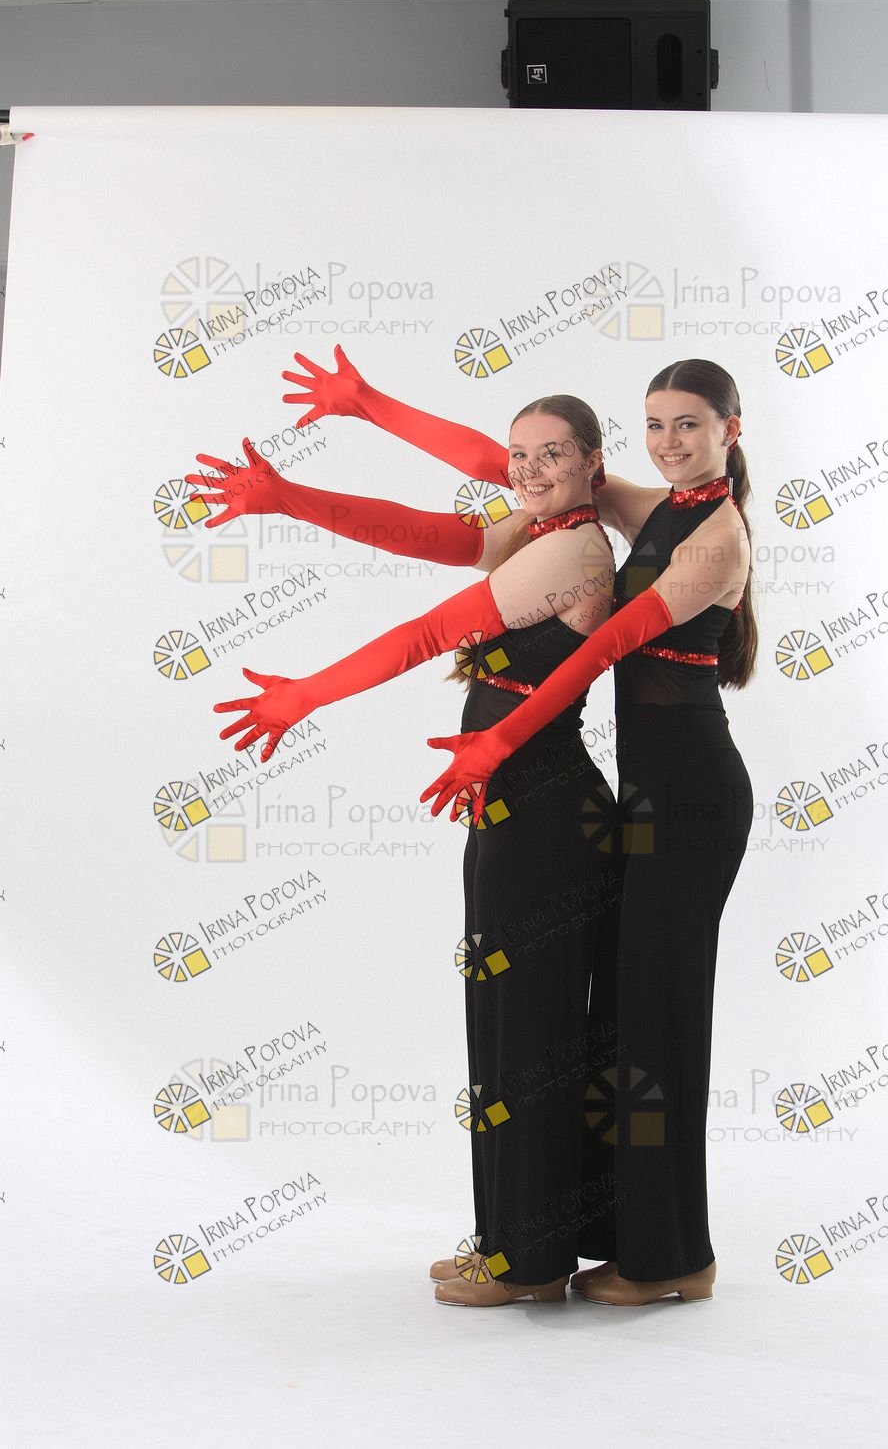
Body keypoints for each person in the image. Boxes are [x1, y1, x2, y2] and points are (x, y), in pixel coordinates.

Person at [281, 349, 756, 1306]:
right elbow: (502, 465)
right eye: (656, 424)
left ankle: (671, 1256)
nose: (668, 442)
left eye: (688, 425)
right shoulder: (659, 506)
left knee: (657, 1026)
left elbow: (610, 643)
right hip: (640, 799)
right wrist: (369, 403)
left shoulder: (715, 537)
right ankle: (606, 1239)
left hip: (691, 802)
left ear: (729, 431)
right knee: (617, 1027)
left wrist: (498, 738)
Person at [183, 401, 624, 1307]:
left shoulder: (573, 551)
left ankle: (531, 1261)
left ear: (592, 462)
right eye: (517, 455)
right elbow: (420, 532)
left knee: (530, 1034)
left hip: (547, 817)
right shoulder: (536, 530)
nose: (527, 469)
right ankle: (509, 1241)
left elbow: (428, 633)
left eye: (551, 454)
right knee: (505, 1025)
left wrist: (304, 696)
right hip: (516, 807)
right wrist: (292, 490)